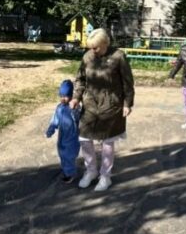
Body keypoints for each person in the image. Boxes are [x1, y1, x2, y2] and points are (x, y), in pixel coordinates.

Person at [72, 29, 134, 192]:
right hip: (90, 104)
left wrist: (127, 103)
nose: (93, 50)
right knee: (84, 138)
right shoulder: (87, 57)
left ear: (105, 43)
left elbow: (128, 82)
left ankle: (105, 176)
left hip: (111, 105)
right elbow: (80, 79)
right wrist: (76, 97)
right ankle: (91, 170)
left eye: (96, 47)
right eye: (91, 47)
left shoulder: (118, 56)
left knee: (107, 142)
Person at [45, 80, 81, 183]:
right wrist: (51, 129)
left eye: (65, 96)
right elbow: (55, 120)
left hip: (72, 137)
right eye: (61, 96)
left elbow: (78, 118)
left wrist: (74, 109)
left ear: (71, 95)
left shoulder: (74, 107)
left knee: (69, 156)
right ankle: (66, 170)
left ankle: (70, 174)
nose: (63, 98)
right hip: (62, 136)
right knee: (62, 154)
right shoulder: (59, 108)